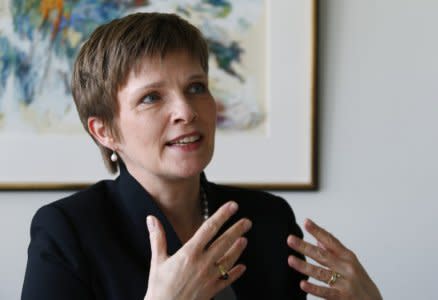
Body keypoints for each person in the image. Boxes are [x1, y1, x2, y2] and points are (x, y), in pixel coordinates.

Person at [21, 12, 382, 300]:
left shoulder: (269, 219)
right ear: (105, 131)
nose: (186, 111)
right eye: (151, 97)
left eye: (196, 88)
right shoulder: (66, 231)